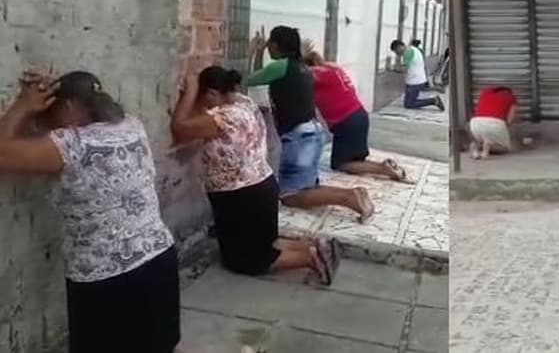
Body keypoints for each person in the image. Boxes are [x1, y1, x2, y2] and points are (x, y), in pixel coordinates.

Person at [0, 70, 179, 353]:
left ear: (70, 106)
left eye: (53, 110)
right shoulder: (132, 125)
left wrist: (23, 105)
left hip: (108, 280)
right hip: (158, 260)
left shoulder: (74, 145)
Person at [170, 66, 337, 285]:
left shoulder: (225, 117)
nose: (203, 106)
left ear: (211, 93)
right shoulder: (243, 103)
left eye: (204, 98)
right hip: (261, 185)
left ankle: (308, 258)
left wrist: (190, 92)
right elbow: (208, 117)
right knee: (266, 244)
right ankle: (316, 245)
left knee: (249, 261)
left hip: (240, 195)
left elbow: (180, 128)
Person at [248, 26, 375, 222]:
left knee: (289, 195)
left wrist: (254, 52)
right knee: (305, 188)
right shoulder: (301, 66)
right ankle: (356, 193)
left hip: (299, 137)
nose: (268, 48)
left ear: (274, 44)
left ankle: (348, 197)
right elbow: (265, 78)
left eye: (269, 44)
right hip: (312, 133)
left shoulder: (281, 66)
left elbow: (250, 80)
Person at [302, 43, 411, 182]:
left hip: (347, 122)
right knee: (354, 159)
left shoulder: (316, 74)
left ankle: (384, 170)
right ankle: (383, 166)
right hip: (358, 115)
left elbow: (296, 72)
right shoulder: (331, 67)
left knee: (340, 164)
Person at [389, 39, 444, 111]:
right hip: (417, 79)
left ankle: (434, 100)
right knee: (408, 102)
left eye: (396, 51)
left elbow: (404, 69)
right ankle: (434, 96)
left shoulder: (407, 53)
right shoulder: (413, 49)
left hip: (415, 82)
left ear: (399, 47)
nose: (397, 54)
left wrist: (391, 68)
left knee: (409, 104)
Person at [469, 86, 519, 160]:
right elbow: (509, 120)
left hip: (475, 122)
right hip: (495, 123)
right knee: (505, 148)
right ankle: (489, 146)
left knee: (482, 140)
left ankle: (475, 148)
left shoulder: (485, 93)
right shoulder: (511, 97)